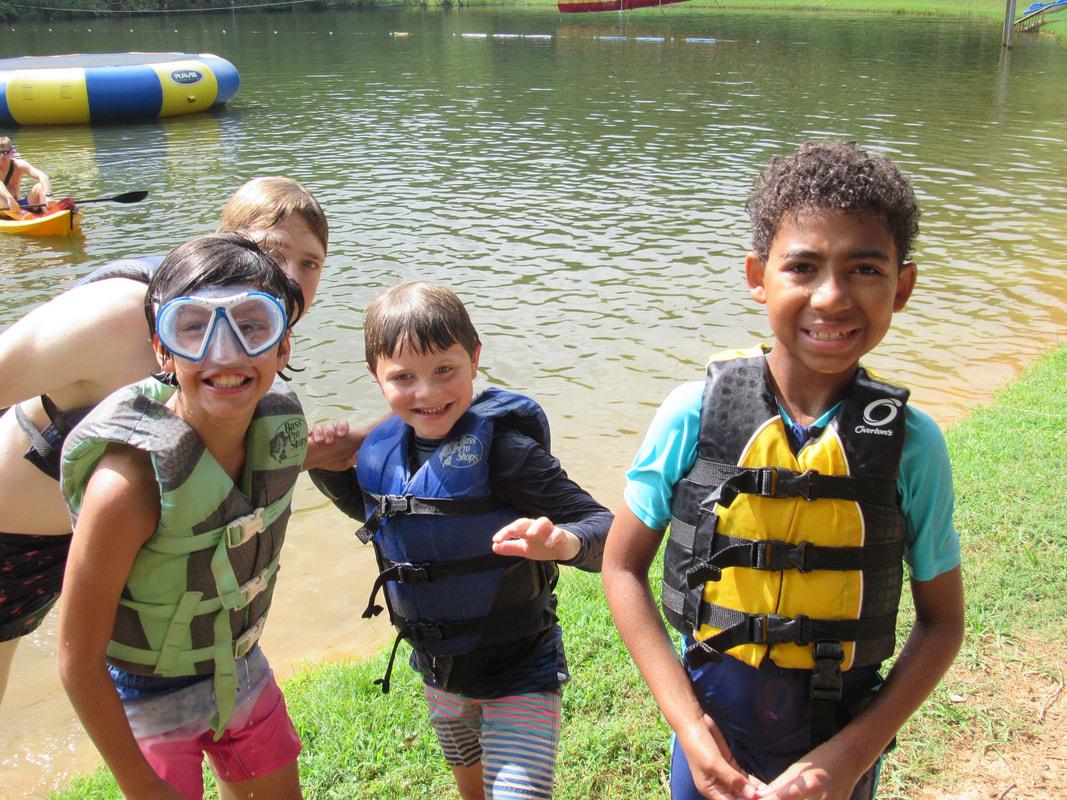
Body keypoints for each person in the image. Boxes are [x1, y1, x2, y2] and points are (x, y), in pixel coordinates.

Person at [601, 141, 964, 800]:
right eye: (802, 266)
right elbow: (622, 568)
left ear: (902, 287)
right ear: (757, 276)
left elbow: (942, 623)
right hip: (711, 738)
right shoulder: (692, 414)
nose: (832, 297)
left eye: (864, 268)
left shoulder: (911, 444)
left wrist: (851, 755)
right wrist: (688, 726)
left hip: (837, 750)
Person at [0, 177, 340, 704]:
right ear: (224, 244)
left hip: (88, 544)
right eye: (272, 253)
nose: (291, 278)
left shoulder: (253, 345)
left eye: (309, 263)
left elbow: (216, 463)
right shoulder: (120, 314)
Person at [309, 281, 612, 800]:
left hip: (520, 668)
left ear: (474, 359)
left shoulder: (507, 454)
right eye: (403, 377)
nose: (427, 393)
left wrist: (562, 542)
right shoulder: (382, 452)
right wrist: (331, 468)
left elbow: (605, 528)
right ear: (375, 375)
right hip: (437, 671)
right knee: (470, 785)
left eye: (444, 370)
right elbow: (380, 517)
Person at [58, 233, 307, 800]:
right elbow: (77, 660)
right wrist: (141, 785)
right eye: (192, 327)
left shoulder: (277, 430)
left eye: (253, 325)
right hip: (147, 697)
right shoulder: (127, 486)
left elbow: (290, 464)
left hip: (242, 668)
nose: (226, 353)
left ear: (282, 347)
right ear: (162, 350)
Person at [0, 135, 53, 216]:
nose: (1, 156)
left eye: (5, 152)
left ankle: (50, 212)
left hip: (20, 205)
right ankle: (21, 216)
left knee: (40, 186)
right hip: (4, 208)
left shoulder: (19, 165)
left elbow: (43, 176)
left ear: (11, 152)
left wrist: (49, 195)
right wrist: (9, 198)